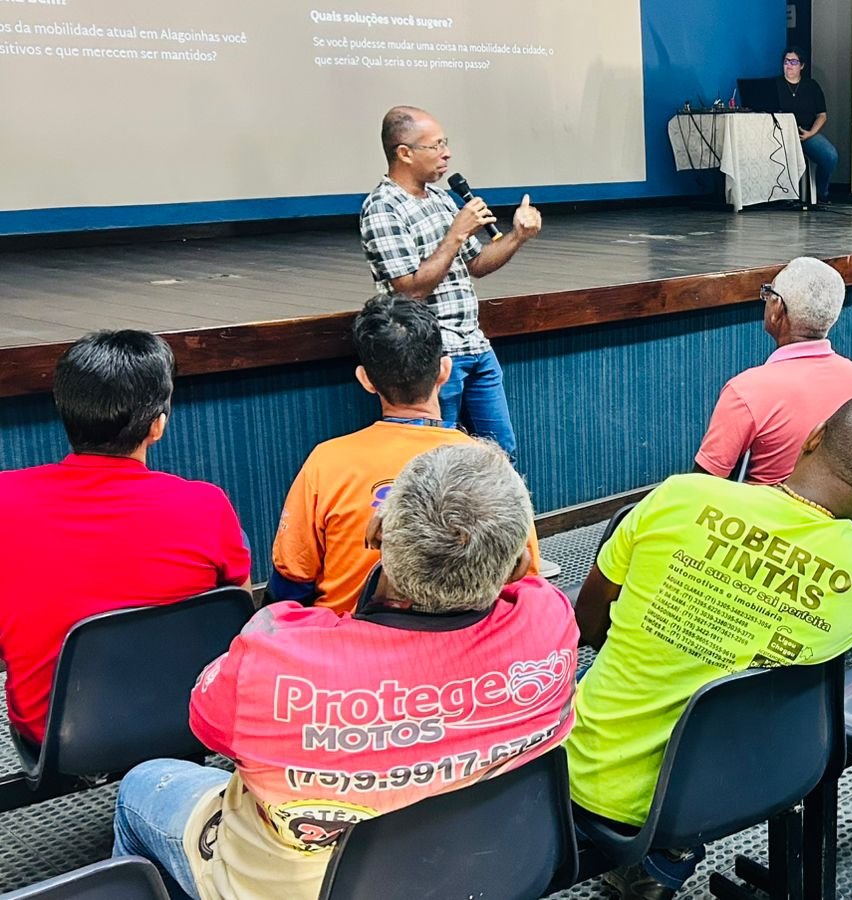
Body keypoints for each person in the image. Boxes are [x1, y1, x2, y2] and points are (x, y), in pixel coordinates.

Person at [114, 442, 579, 900]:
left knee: (142, 784)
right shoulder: (551, 620)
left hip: (301, 887)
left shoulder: (274, 662)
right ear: (518, 564)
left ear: (377, 533)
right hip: (493, 864)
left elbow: (206, 723)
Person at [568, 394, 852, 899]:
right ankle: (665, 857)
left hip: (586, 780)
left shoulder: (681, 496)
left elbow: (587, 624)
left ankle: (655, 858)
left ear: (813, 438)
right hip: (748, 780)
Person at [0, 330, 250, 747]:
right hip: (187, 718)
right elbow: (238, 617)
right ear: (158, 426)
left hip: (58, 739)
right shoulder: (206, 504)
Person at [270, 296, 549, 614]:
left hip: (348, 636)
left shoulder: (326, 462)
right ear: (444, 370)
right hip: (467, 634)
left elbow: (291, 584)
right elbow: (522, 577)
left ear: (365, 380)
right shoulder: (491, 467)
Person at [360, 105, 544, 457]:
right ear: (405, 153)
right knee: (437, 457)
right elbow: (410, 289)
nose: (447, 153)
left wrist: (518, 236)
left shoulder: (442, 199)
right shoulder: (383, 206)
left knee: (500, 452)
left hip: (474, 345)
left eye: (445, 143)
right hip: (430, 355)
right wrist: (456, 234)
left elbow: (477, 263)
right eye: (436, 145)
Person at [693, 257, 852, 484]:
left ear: (777, 308)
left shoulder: (746, 391)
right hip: (836, 506)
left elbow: (701, 485)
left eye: (769, 293)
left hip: (765, 506)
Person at [775, 48, 836, 203]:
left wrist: (811, 133)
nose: (789, 65)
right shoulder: (775, 85)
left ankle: (821, 192)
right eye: (786, 62)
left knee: (830, 156)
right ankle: (783, 196)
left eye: (794, 62)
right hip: (781, 135)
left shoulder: (811, 86)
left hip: (806, 133)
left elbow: (822, 115)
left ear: (802, 65)